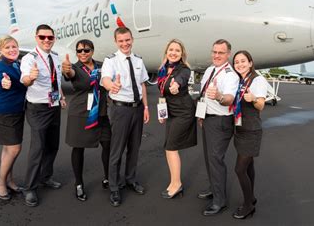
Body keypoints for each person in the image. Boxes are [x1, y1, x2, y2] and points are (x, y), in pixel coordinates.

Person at [101, 26, 150, 207]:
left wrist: (145, 107)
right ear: (116, 42)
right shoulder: (111, 61)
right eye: (121, 41)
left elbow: (143, 84)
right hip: (120, 110)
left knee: (134, 147)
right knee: (117, 150)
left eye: (127, 40)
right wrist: (111, 86)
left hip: (137, 109)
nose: (125, 44)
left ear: (132, 39)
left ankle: (130, 179)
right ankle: (114, 187)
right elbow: (105, 78)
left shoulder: (138, 60)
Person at [20, 24, 66, 207]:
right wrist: (30, 78)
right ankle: (30, 187)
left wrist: (61, 96)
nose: (47, 40)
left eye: (50, 37)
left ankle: (46, 177)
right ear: (36, 38)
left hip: (54, 106)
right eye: (42, 37)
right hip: (38, 108)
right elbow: (24, 80)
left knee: (52, 145)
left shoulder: (55, 57)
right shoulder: (30, 59)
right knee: (38, 147)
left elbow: (57, 80)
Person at [62, 39, 112, 202]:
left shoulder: (102, 65)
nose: (83, 53)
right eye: (79, 51)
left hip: (101, 112)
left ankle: (107, 177)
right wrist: (66, 70)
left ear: (92, 51)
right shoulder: (74, 68)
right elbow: (70, 75)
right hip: (81, 113)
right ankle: (79, 183)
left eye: (86, 50)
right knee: (78, 148)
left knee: (108, 144)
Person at [197, 39, 239, 216]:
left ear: (228, 54)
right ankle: (214, 189)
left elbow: (229, 98)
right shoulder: (209, 70)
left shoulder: (230, 75)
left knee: (216, 160)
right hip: (207, 118)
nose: (216, 55)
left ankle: (219, 201)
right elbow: (203, 94)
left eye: (221, 52)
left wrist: (219, 96)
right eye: (214, 51)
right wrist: (201, 115)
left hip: (221, 121)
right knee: (209, 158)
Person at [157, 39, 197, 199]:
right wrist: (162, 113)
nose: (173, 53)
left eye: (177, 51)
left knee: (171, 147)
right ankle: (174, 182)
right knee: (169, 146)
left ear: (182, 54)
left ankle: (176, 184)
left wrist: (176, 86)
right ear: (167, 51)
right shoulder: (163, 70)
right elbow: (162, 93)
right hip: (172, 112)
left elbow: (180, 80)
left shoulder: (184, 69)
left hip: (183, 112)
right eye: (171, 49)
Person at [0, 35, 27, 201]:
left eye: (14, 47)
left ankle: (9, 180)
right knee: (14, 149)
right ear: (1, 50)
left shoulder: (17, 64)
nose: (12, 50)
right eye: (8, 48)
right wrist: (2, 84)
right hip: (3, 113)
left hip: (16, 111)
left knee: (7, 149)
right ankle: (0, 182)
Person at [231, 50, 267, 219]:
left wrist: (253, 98)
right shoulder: (239, 80)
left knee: (239, 169)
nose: (240, 64)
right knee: (248, 166)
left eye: (243, 61)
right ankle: (251, 197)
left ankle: (248, 206)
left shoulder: (257, 80)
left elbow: (261, 106)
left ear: (251, 63)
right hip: (240, 128)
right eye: (237, 62)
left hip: (251, 129)